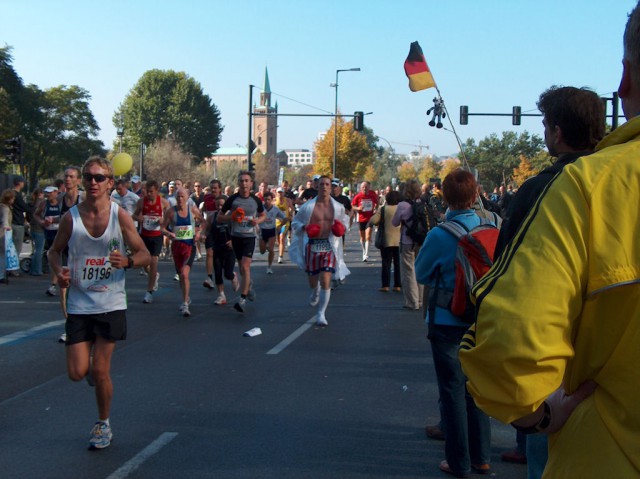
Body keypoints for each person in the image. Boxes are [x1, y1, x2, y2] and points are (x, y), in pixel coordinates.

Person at [459, 5, 640, 477]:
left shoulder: (578, 188)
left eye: (544, 127)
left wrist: (537, 417)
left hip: (601, 445)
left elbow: (508, 347)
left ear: (627, 80)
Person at [497, 86, 605, 473]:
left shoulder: (542, 188)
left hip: (557, 354)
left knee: (549, 456)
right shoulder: (621, 178)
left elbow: (509, 278)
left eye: (544, 126)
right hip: (616, 350)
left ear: (557, 133)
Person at [47, 156, 150, 450]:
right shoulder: (71, 217)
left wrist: (128, 261)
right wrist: (59, 272)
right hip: (79, 304)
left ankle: (103, 424)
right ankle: (91, 373)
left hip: (111, 302)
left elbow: (145, 254)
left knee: (102, 370)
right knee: (77, 372)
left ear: (110, 183)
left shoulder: (120, 216)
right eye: (88, 177)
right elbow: (53, 253)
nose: (93, 182)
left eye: (99, 178)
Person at [414, 169, 493, 478]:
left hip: (447, 319)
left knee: (452, 391)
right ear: (475, 196)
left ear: (444, 197)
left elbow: (421, 273)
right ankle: (482, 457)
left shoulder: (439, 234)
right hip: (482, 318)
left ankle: (458, 462)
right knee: (477, 388)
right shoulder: (492, 227)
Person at [290, 176, 350, 326]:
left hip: (329, 245)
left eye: (327, 184)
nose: (324, 187)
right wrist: (305, 228)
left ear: (331, 187)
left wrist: (341, 228)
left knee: (326, 280)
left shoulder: (338, 207)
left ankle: (321, 313)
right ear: (317, 187)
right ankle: (315, 290)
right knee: (313, 281)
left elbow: (345, 222)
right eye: (321, 184)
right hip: (312, 245)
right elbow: (295, 222)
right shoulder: (308, 207)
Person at [218, 171, 266, 313]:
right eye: (241, 181)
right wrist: (231, 217)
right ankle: (248, 286)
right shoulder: (232, 199)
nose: (244, 183)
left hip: (249, 238)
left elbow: (263, 215)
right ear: (238, 183)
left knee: (245, 267)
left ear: (251, 183)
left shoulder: (256, 200)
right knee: (242, 269)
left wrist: (257, 220)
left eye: (246, 181)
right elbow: (219, 218)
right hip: (236, 237)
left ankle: (242, 299)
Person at [160, 187, 203, 317]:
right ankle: (186, 296)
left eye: (182, 196)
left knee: (184, 274)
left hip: (189, 246)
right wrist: (169, 233)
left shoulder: (192, 210)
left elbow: (204, 222)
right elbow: (162, 228)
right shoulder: (170, 212)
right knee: (181, 276)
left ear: (187, 197)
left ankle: (185, 304)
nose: (179, 199)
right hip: (177, 247)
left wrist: (199, 233)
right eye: (177, 196)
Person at [134, 180, 169, 304]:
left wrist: (162, 221)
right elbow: (134, 216)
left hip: (157, 235)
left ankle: (149, 292)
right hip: (144, 235)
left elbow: (169, 218)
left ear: (157, 191)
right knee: (144, 262)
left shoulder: (163, 203)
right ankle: (155, 276)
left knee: (154, 261)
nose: (148, 194)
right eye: (147, 192)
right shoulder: (141, 202)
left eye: (151, 192)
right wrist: (139, 218)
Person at [391, 179, 424, 310]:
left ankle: (412, 302)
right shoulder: (422, 203)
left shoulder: (402, 205)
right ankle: (421, 300)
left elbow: (395, 223)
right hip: (421, 240)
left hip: (407, 241)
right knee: (419, 269)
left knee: (408, 271)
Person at [205, 196, 239, 305]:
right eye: (217, 205)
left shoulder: (232, 217)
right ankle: (221, 295)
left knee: (227, 274)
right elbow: (206, 230)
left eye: (222, 205)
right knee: (218, 272)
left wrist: (233, 241)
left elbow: (239, 231)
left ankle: (233, 276)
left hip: (229, 249)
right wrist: (201, 235)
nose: (220, 207)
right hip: (217, 248)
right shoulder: (212, 217)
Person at [369, 190, 401, 292]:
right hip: (400, 240)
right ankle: (397, 285)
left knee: (386, 263)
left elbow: (373, 220)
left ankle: (385, 285)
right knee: (398, 263)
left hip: (386, 240)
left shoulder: (383, 210)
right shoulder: (402, 209)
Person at [259, 191, 287, 274]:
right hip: (262, 230)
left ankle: (269, 267)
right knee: (262, 251)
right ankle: (266, 247)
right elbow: (254, 217)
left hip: (271, 230)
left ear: (272, 200)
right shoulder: (260, 208)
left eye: (269, 199)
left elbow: (284, 218)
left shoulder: (275, 209)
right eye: (265, 199)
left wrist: (280, 225)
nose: (267, 201)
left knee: (271, 249)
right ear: (263, 200)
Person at [201, 179, 222, 288]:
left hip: (221, 230)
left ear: (220, 189)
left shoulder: (225, 199)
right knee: (209, 253)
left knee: (221, 256)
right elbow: (203, 212)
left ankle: (228, 274)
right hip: (210, 229)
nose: (213, 190)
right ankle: (209, 277)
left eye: (215, 188)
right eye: (212, 188)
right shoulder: (206, 198)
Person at [351, 181, 379, 261]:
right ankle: (363, 250)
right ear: (360, 188)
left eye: (366, 187)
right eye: (363, 187)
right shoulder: (358, 196)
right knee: (362, 238)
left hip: (370, 218)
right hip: (361, 218)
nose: (365, 188)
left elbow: (377, 201)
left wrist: (375, 209)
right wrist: (358, 208)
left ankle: (366, 254)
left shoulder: (372, 194)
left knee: (368, 236)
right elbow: (352, 206)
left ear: (369, 187)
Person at [10, 176, 28, 273]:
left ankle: (8, 268)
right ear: (20, 183)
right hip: (17, 222)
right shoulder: (17, 195)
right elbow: (24, 207)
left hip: (10, 222)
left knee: (10, 247)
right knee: (17, 247)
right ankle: (14, 269)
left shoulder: (9, 193)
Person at [27, 188, 45, 276]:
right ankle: (37, 270)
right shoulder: (41, 203)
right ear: (41, 194)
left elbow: (28, 216)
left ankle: (33, 269)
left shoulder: (31, 204)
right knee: (39, 250)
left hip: (32, 228)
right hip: (39, 229)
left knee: (35, 249)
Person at [274, 187, 294, 264]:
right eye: (278, 192)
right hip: (276, 223)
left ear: (283, 193)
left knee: (282, 238)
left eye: (281, 192)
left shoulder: (288, 200)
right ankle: (281, 247)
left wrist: (290, 215)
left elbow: (292, 208)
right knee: (278, 241)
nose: (280, 194)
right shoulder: (274, 200)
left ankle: (280, 256)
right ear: (276, 193)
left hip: (285, 222)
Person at [0, 189, 16, 283]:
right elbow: (5, 220)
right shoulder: (5, 208)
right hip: (2, 233)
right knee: (3, 255)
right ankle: (1, 275)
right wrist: (7, 228)